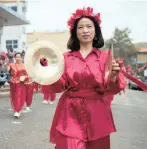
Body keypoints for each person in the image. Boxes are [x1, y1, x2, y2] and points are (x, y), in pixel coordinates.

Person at [47, 7, 127, 149]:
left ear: (95, 31)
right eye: (81, 27)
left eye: (89, 26)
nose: (85, 30)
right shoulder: (65, 58)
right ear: (75, 32)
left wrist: (113, 76)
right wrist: (49, 72)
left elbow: (111, 88)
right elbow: (58, 86)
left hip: (98, 112)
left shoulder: (105, 58)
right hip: (70, 112)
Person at [6, 53, 28, 118]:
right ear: (15, 58)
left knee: (18, 96)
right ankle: (16, 109)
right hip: (13, 82)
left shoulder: (24, 66)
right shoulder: (12, 65)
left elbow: (27, 75)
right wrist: (7, 64)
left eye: (19, 57)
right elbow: (8, 70)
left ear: (21, 58)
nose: (17, 58)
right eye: (16, 57)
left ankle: (17, 110)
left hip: (20, 82)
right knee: (14, 96)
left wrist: (25, 78)